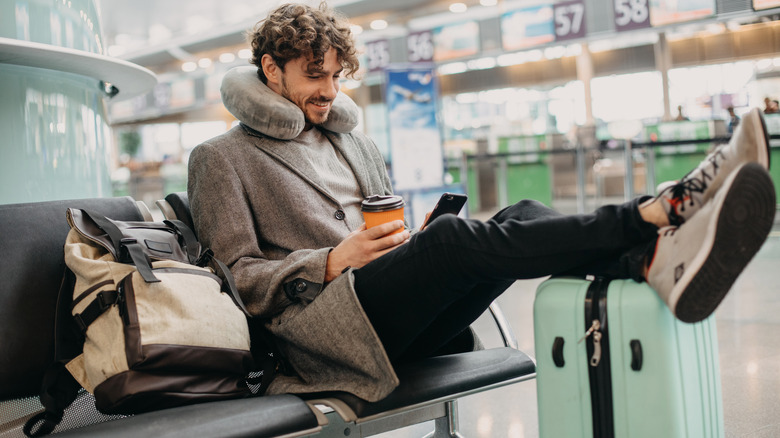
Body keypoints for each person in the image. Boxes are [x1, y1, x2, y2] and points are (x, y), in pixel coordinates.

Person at [188, 3, 775, 402]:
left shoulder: (352, 142)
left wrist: (407, 246)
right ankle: (653, 214)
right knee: (451, 243)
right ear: (270, 69)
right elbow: (236, 282)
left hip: (388, 310)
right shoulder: (221, 158)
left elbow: (381, 235)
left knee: (518, 212)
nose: (330, 92)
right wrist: (330, 261)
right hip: (321, 338)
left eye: (338, 77)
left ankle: (647, 261)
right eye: (316, 76)